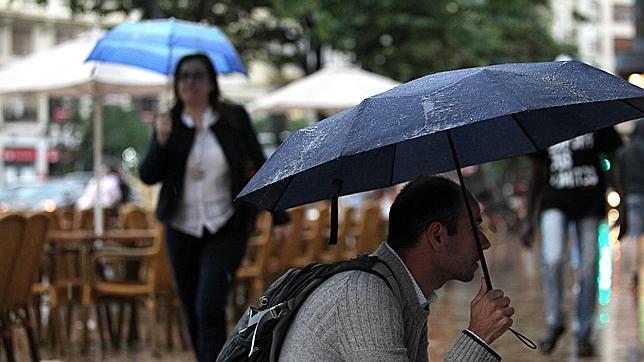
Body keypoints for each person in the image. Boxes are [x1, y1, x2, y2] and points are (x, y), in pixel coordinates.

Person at [138, 53, 289, 362]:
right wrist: (160, 141)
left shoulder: (233, 119)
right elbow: (148, 175)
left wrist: (280, 214)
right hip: (181, 228)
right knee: (191, 305)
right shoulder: (169, 123)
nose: (190, 83)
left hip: (226, 225)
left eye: (197, 76)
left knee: (209, 304)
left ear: (210, 82)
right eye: (184, 77)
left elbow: (260, 165)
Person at [279, 175, 514, 361]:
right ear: (437, 236)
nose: (485, 242)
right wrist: (478, 337)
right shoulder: (365, 296)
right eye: (474, 228)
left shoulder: (406, 292)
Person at [521, 127, 622, 356]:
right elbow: (536, 169)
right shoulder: (543, 118)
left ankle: (584, 331)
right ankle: (555, 320)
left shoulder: (594, 113)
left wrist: (620, 201)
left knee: (588, 267)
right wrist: (528, 218)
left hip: (590, 202)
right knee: (553, 258)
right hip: (554, 200)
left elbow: (614, 157)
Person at [617, 119, 644, 289]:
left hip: (632, 197)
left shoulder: (623, 152)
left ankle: (634, 273)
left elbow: (620, 180)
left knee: (634, 235)